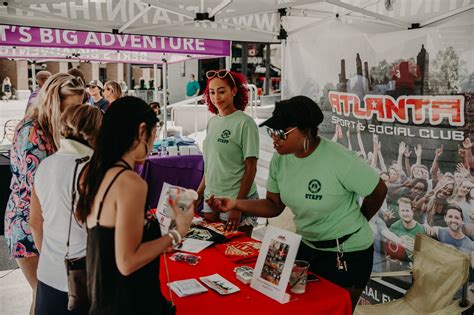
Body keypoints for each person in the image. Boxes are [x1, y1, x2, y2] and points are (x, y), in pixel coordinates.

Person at [207, 95, 387, 311]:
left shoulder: (340, 159)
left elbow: (378, 190)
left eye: (281, 133)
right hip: (307, 247)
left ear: (307, 131)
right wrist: (235, 203)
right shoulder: (280, 159)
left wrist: (360, 219)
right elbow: (273, 205)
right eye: (272, 132)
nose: (274, 139)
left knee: (335, 308)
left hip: (348, 253)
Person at [76, 96, 194, 314]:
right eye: (153, 135)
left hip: (104, 300)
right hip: (129, 303)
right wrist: (180, 231)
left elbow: (111, 243)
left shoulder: (93, 173)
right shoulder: (130, 183)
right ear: (142, 131)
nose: (152, 144)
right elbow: (127, 261)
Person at [4, 73, 85, 315]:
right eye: (71, 107)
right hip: (29, 226)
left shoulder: (55, 127)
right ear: (53, 101)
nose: (75, 114)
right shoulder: (33, 131)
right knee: (43, 295)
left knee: (45, 297)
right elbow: (40, 190)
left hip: (48, 224)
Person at [29, 104, 102, 315]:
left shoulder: (45, 165)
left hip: (48, 273)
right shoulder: (94, 169)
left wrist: (51, 257)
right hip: (85, 278)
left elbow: (35, 223)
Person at [198, 69, 259, 235]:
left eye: (222, 91)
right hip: (211, 199)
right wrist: (197, 194)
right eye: (212, 92)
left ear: (234, 91)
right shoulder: (212, 122)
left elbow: (251, 168)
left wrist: (238, 206)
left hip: (236, 199)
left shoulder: (245, 123)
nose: (216, 97)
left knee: (237, 254)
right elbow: (210, 166)